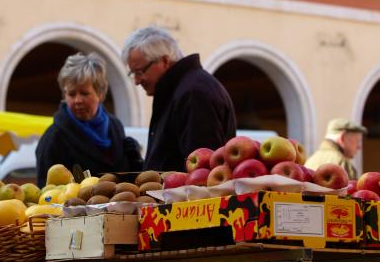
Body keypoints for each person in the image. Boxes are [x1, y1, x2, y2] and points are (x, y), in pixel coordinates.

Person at [122, 26, 237, 172]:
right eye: (133, 74)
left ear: (164, 61)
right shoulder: (184, 90)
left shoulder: (193, 94)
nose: (137, 81)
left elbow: (201, 170)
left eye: (139, 72)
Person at [35, 52, 143, 186]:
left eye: (84, 93)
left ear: (100, 93)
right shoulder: (54, 138)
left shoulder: (115, 126)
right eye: (71, 94)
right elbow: (46, 193)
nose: (77, 100)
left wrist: (135, 161)